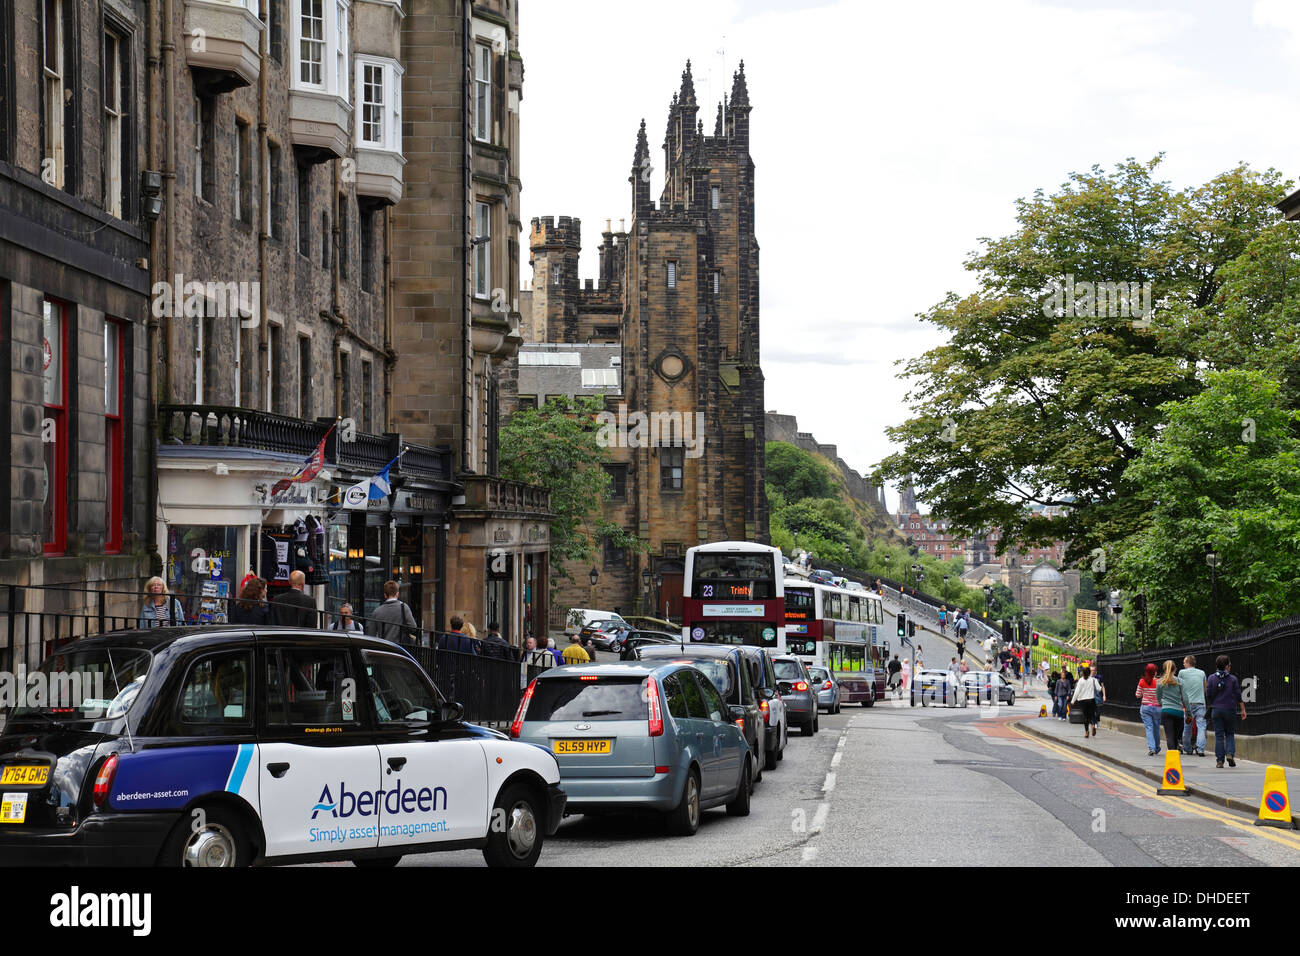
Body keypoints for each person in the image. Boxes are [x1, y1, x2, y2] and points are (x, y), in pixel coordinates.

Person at [1207, 654, 1245, 768]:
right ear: (1227, 666)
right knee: (1229, 733)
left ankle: (1219, 761)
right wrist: (1243, 709)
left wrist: (1214, 702)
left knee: (1219, 735)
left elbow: (1208, 694)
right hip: (1230, 709)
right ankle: (1229, 754)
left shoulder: (1211, 678)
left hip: (1216, 709)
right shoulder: (1233, 679)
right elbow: (1238, 695)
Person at [1178, 654, 1208, 757]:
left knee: (1187, 726)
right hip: (1200, 703)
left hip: (1188, 704)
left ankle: (1187, 748)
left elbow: (1179, 688)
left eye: (1184, 662)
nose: (1183, 664)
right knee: (1201, 726)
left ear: (1188, 663)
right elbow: (1205, 688)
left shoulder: (1181, 673)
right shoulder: (1202, 673)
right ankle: (1200, 749)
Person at [1156, 659, 1185, 754]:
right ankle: (1175, 754)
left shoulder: (1160, 682)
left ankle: (1172, 758)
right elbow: (1186, 698)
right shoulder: (1180, 681)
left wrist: (1163, 704)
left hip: (1166, 711)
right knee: (1175, 737)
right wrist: (1188, 712)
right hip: (1179, 712)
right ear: (1175, 669)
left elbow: (1158, 697)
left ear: (1164, 669)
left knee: (1169, 736)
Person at [1136, 662, 1161, 755]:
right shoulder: (1159, 682)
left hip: (1146, 707)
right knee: (1156, 728)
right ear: (1155, 672)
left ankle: (1152, 748)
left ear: (1146, 671)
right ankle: (1157, 747)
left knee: (1149, 728)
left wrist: (1144, 692)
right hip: (1158, 708)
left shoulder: (1142, 681)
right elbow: (1161, 695)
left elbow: (1138, 695)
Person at [1070, 665, 1100, 738]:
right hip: (1091, 700)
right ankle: (1093, 725)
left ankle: (1086, 732)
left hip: (1083, 701)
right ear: (1089, 673)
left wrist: (1072, 701)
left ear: (1083, 673)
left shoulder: (1080, 680)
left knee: (1086, 717)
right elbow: (1099, 689)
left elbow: (1077, 691)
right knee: (1092, 715)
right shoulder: (1093, 680)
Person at [1090, 669, 1106, 735]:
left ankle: (1095, 721)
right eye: (1091, 670)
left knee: (1098, 712)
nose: (1093, 671)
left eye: (1094, 670)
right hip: (1091, 697)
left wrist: (1104, 695)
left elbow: (1102, 686)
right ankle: (1094, 723)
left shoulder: (1099, 677)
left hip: (1098, 697)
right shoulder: (1088, 678)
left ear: (1096, 671)